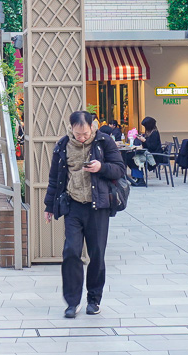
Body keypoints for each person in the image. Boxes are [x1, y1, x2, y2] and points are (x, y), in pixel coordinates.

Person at [43, 111, 127, 319]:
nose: (82, 137)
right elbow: (55, 178)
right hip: (73, 205)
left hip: (98, 206)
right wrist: (49, 206)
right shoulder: (63, 145)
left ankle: (94, 299)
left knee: (97, 253)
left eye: (85, 133)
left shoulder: (103, 142)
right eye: (78, 133)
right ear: (71, 127)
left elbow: (120, 169)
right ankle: (72, 302)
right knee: (71, 251)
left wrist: (101, 167)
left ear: (92, 127)